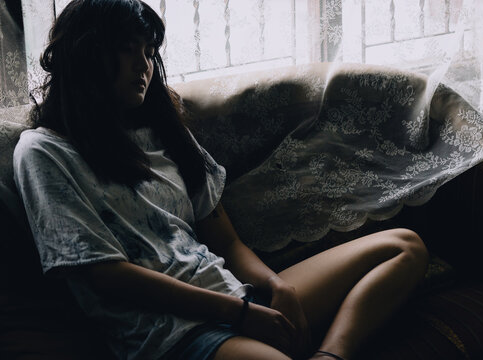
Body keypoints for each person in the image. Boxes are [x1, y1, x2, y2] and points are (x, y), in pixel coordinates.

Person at [13, 1, 429, 359]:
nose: (143, 65)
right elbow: (106, 275)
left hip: (234, 295)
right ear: (86, 53)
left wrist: (275, 286)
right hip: (171, 333)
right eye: (127, 49)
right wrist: (239, 314)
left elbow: (226, 241)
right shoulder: (44, 151)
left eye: (148, 51)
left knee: (403, 246)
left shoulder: (162, 132)